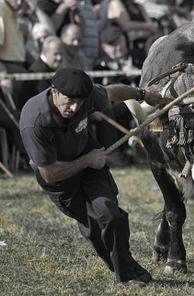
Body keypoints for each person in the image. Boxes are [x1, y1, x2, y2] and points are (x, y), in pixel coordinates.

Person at [19, 68, 166, 286]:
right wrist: (88, 160)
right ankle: (124, 266)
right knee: (95, 225)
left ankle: (126, 275)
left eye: (80, 102)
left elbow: (113, 92)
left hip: (89, 160)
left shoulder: (87, 97)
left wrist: (143, 94)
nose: (75, 107)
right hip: (61, 179)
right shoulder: (35, 119)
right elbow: (50, 174)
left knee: (111, 216)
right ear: (55, 92)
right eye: (69, 101)